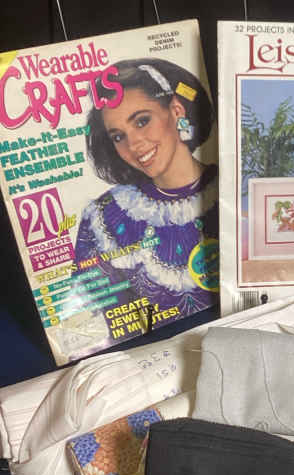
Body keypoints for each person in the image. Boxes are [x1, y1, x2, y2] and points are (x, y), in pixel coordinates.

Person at [72, 58, 217, 338]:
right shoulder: (105, 218)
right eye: (118, 136)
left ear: (176, 109)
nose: (134, 144)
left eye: (142, 121)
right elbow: (92, 330)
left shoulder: (239, 183)